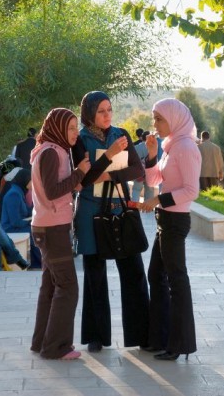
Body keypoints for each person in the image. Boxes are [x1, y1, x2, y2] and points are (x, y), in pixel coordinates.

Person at [71, 90, 150, 353]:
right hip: (91, 214)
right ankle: (96, 337)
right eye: (101, 111)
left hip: (120, 209)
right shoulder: (79, 141)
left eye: (109, 110)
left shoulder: (122, 134)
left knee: (134, 273)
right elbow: (83, 179)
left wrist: (109, 176)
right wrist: (110, 155)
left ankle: (142, 334)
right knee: (95, 276)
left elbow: (137, 170)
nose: (107, 115)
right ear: (90, 114)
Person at [139, 98, 201, 361]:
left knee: (177, 281)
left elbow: (191, 191)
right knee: (157, 275)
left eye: (159, 118)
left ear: (174, 119)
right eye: (154, 118)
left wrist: (158, 200)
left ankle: (179, 344)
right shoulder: (171, 146)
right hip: (164, 220)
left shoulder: (186, 148)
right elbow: (154, 180)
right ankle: (161, 338)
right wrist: (152, 155)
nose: (154, 124)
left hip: (175, 222)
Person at [29, 108, 91, 360]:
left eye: (76, 127)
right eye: (71, 128)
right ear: (58, 129)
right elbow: (53, 191)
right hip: (52, 228)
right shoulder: (52, 152)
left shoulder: (51, 150)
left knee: (51, 286)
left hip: (47, 224)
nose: (76, 133)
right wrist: (79, 172)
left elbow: (55, 188)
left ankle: (41, 341)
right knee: (67, 287)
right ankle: (56, 347)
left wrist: (76, 179)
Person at [0, 168, 41, 269]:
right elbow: (15, 222)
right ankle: (38, 263)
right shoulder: (14, 195)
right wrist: (30, 222)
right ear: (25, 180)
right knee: (35, 231)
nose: (33, 183)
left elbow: (27, 211)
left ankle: (39, 262)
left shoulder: (19, 192)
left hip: (16, 226)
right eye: (32, 180)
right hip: (10, 229)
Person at [131, 131, 156, 202]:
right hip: (150, 173)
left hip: (139, 173)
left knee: (136, 190)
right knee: (150, 192)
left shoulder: (136, 147)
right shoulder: (154, 148)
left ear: (142, 138)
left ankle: (134, 208)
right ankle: (148, 209)